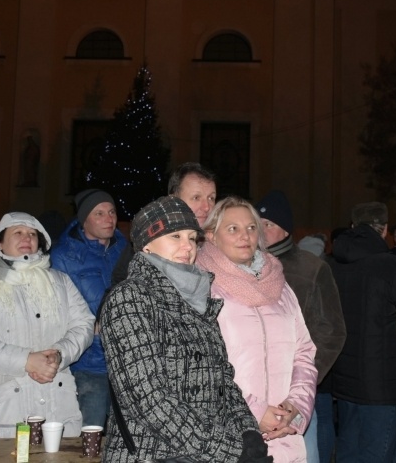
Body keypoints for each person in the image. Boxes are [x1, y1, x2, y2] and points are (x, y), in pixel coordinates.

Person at [100, 196, 271, 462]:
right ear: (146, 245)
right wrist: (229, 451)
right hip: (152, 454)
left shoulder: (197, 298)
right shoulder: (130, 298)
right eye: (175, 236)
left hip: (205, 454)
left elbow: (223, 380)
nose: (187, 247)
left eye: (192, 238)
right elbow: (148, 399)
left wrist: (248, 432)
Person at [0, 212, 95, 438]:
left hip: (55, 406)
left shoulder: (61, 282)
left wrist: (59, 354)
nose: (26, 238)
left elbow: (84, 325)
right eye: (17, 233)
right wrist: (26, 361)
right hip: (0, 413)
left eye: (31, 234)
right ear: (0, 243)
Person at [196, 196, 317, 463]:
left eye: (251, 228)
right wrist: (254, 411)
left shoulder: (281, 286)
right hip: (230, 439)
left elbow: (304, 353)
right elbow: (202, 368)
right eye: (233, 229)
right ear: (212, 236)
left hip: (285, 437)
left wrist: (295, 408)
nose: (245, 236)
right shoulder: (202, 289)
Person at [256, 190, 345, 463]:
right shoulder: (247, 266)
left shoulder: (312, 268)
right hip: (257, 395)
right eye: (256, 224)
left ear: (285, 229)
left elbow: (332, 330)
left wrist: (303, 380)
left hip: (297, 392)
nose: (259, 231)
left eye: (267, 224)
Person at [328, 201, 396, 463]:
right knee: (378, 454)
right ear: (385, 229)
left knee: (348, 450)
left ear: (353, 226)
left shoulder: (331, 264)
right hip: (382, 384)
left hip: (342, 379)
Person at [50, 188, 126, 428]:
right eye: (99, 213)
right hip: (88, 363)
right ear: (84, 220)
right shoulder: (64, 256)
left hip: (125, 361)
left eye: (112, 211)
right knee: (89, 434)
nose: (109, 218)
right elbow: (56, 308)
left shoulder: (125, 248)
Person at [112, 161, 218, 284]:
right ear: (173, 199)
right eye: (196, 198)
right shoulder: (149, 239)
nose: (207, 207)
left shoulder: (220, 242)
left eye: (211, 198)